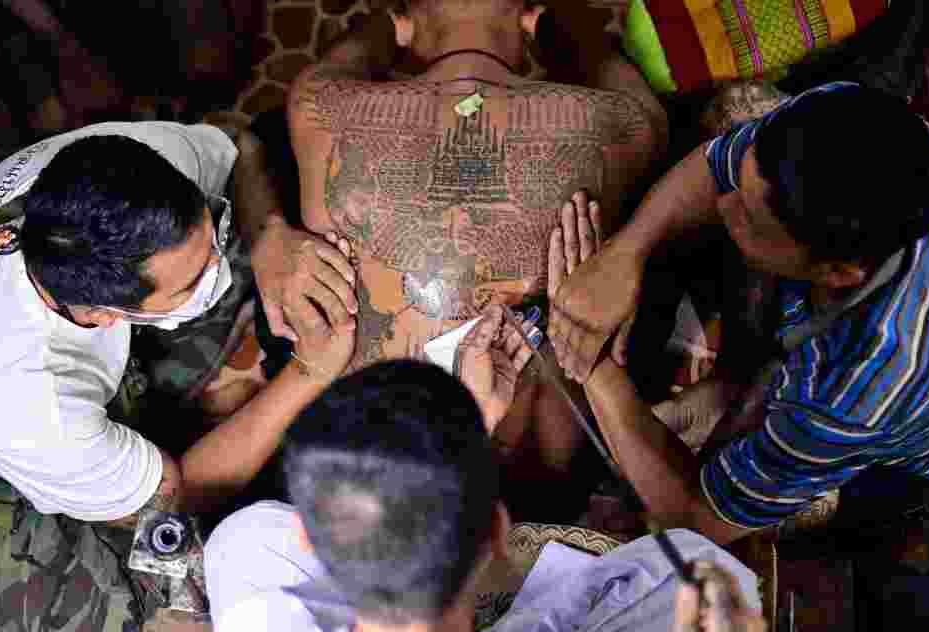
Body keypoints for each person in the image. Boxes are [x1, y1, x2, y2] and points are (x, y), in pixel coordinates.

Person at [547, 81, 929, 545]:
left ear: (836, 272)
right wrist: (625, 254)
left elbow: (701, 518)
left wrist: (591, 364)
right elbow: (717, 168)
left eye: (750, 219)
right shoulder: (877, 136)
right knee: (738, 108)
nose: (723, 204)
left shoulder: (865, 391)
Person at [243, 1, 667, 474]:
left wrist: (389, 27)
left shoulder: (320, 104)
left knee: (264, 140)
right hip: (543, 466)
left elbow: (349, 54)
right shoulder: (619, 120)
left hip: (354, 466)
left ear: (409, 22)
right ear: (525, 19)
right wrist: (552, 28)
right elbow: (620, 78)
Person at [205, 334, 765, 632]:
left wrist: (467, 424)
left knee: (245, 537)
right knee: (699, 569)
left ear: (309, 536)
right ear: (499, 533)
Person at [0, 121, 358, 523]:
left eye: (212, 229)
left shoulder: (128, 168)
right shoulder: (34, 416)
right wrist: (311, 373)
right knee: (157, 560)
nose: (217, 268)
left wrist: (268, 234)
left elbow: (242, 145)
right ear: (104, 315)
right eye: (190, 284)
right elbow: (174, 497)